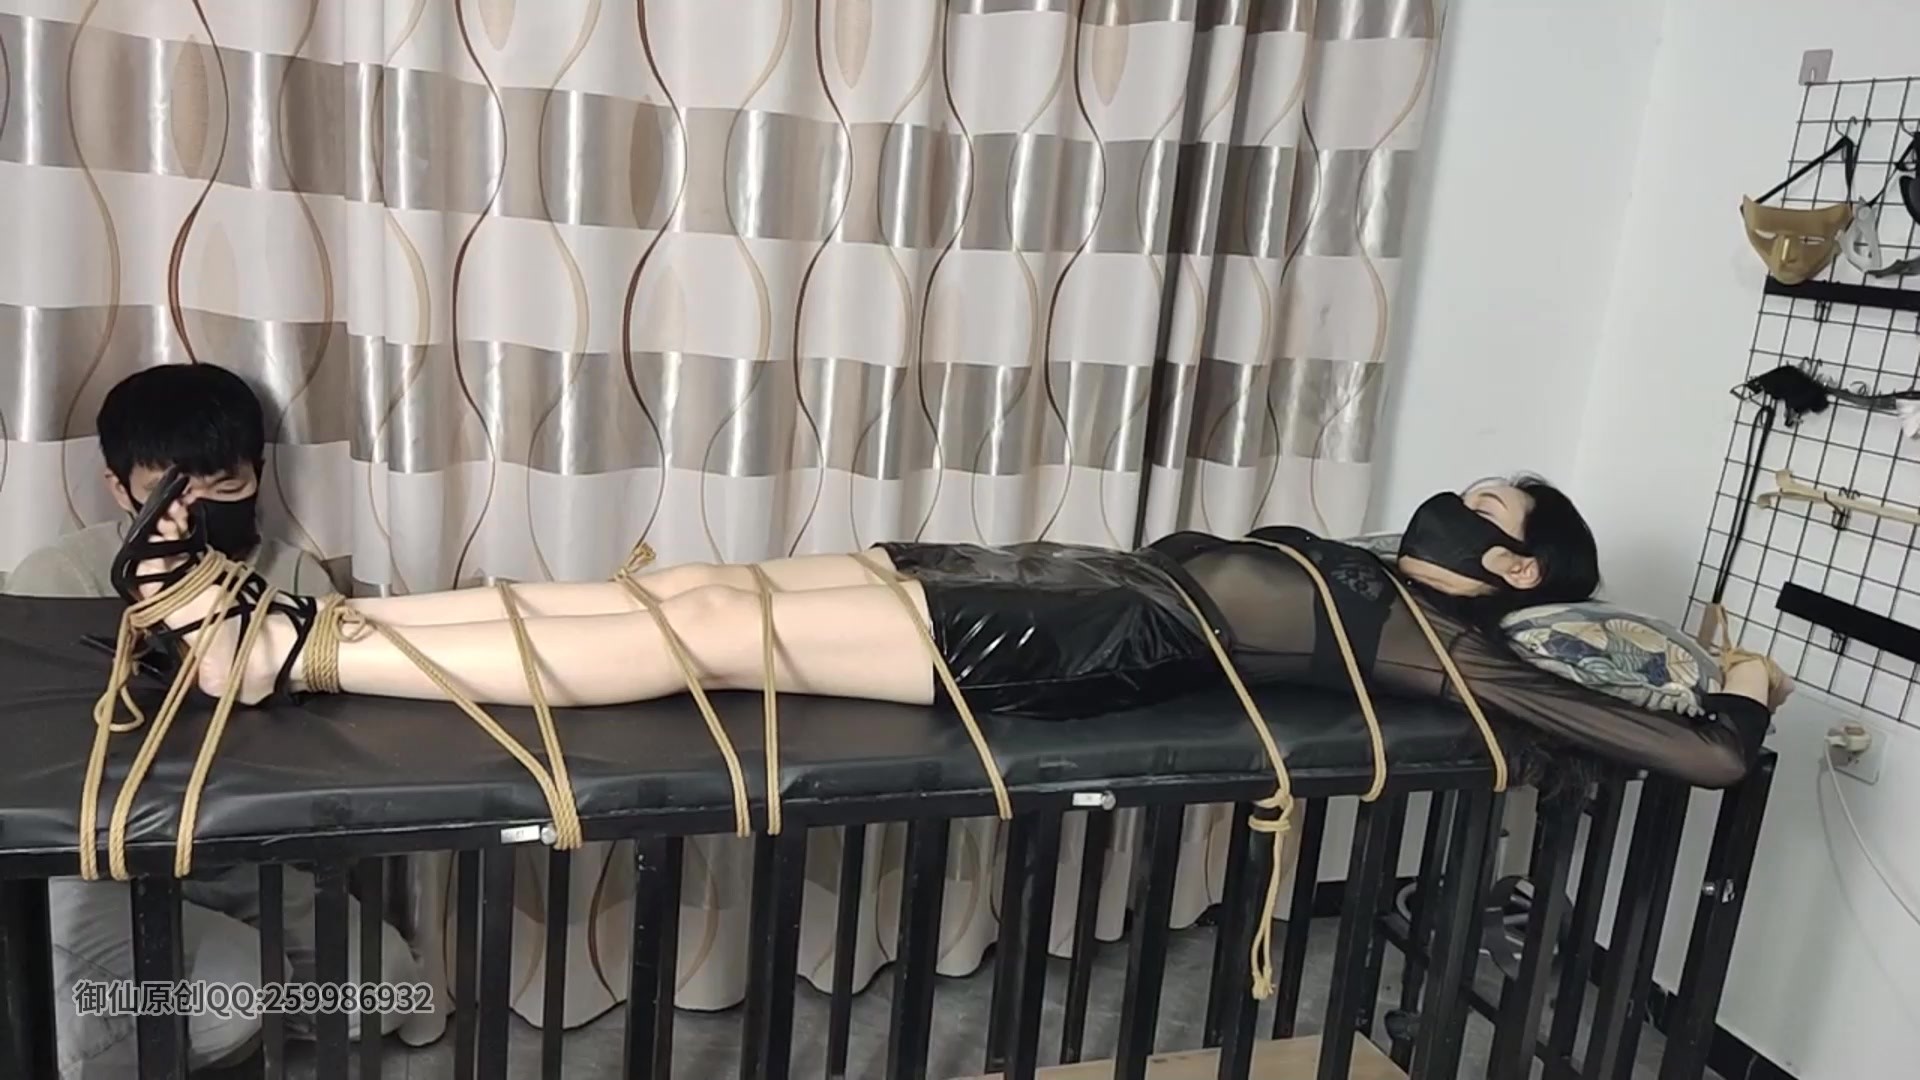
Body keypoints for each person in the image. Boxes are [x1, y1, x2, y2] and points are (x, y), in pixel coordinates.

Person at [118, 471, 1785, 789]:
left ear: (1518, 572)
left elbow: (1692, 760)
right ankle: (306, 621)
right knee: (677, 591)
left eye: (1491, 510)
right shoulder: (1372, 566)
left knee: (701, 628)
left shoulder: (1439, 641)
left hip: (1071, 650)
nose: (1458, 503)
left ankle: (296, 658)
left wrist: (1737, 694)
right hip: (1039, 575)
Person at [7, 364, 424, 1078]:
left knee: (387, 987)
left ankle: (216, 1012)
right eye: (170, 492)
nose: (194, 513)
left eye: (225, 487)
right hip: (100, 862)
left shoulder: (294, 579)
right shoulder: (56, 581)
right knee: (231, 992)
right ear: (119, 488)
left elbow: (328, 741)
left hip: (239, 849)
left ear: (257, 474)